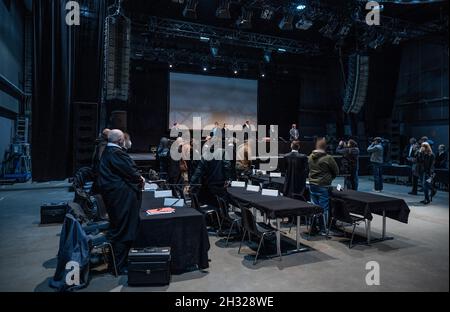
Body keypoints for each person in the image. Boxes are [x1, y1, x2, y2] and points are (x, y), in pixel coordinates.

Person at [97, 129, 145, 274]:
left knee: (121, 229)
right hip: (120, 200)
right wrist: (140, 179)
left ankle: (119, 264)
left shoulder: (107, 152)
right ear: (120, 141)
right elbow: (131, 171)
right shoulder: (116, 153)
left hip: (115, 197)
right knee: (122, 231)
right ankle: (118, 266)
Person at [308, 138, 339, 235]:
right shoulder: (328, 158)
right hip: (323, 186)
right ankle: (323, 230)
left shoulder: (310, 157)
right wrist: (329, 178)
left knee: (314, 207)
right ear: (325, 147)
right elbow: (336, 171)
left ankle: (313, 227)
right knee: (324, 209)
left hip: (312, 185)